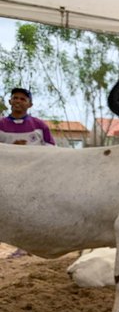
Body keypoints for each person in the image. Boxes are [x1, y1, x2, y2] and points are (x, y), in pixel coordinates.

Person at [1, 88, 55, 258]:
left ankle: (30, 247)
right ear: (9, 102)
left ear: (29, 104)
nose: (18, 101)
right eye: (15, 98)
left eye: (23, 99)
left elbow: (52, 150)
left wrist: (27, 150)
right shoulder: (1, 125)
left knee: (32, 212)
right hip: (7, 179)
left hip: (34, 179)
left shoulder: (39, 126)